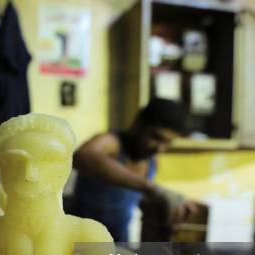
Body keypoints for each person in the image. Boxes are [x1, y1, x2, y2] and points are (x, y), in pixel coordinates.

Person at [72, 98, 197, 242]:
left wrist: (166, 211)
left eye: (167, 143)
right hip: (81, 244)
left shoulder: (150, 161)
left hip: (118, 244)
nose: (159, 148)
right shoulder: (113, 143)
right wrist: (151, 188)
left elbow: (131, 199)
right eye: (156, 137)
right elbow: (83, 156)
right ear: (139, 123)